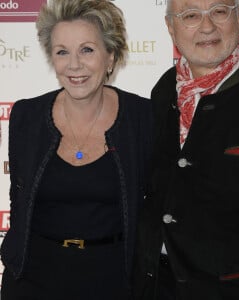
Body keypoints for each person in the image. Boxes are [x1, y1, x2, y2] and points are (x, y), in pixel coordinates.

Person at [133, 0, 239, 299]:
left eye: (219, 11)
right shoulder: (163, 91)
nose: (207, 26)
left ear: (238, 17)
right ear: (171, 27)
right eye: (191, 15)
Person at [0, 0, 152, 299]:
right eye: (62, 52)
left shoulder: (144, 117)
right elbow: (18, 201)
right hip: (33, 281)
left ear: (110, 56)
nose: (74, 65)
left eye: (87, 50)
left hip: (116, 281)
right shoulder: (26, 116)